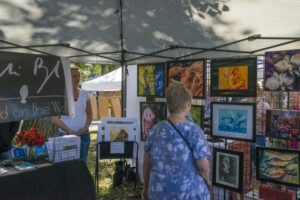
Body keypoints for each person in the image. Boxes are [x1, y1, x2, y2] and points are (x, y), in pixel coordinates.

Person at [142, 81, 211, 200]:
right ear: (186, 106)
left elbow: (146, 164)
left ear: (169, 105)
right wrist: (208, 182)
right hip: (187, 193)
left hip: (158, 191)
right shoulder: (194, 131)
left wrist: (145, 188)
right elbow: (203, 166)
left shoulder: (155, 130)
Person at [52, 65, 92, 166]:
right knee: (66, 165)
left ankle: (82, 182)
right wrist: (70, 131)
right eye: (74, 76)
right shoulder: (60, 94)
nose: (77, 78)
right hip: (65, 136)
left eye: (79, 76)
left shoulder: (84, 93)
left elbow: (90, 114)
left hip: (83, 135)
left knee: (82, 164)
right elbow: (55, 119)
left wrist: (86, 127)